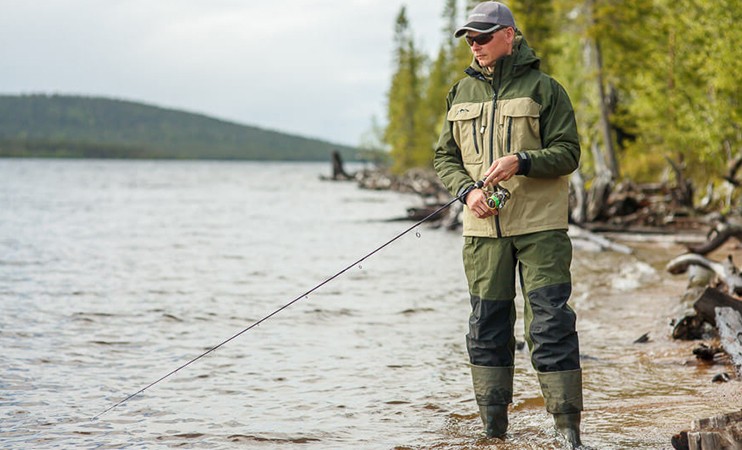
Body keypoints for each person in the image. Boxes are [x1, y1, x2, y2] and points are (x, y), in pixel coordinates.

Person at [433, 2, 583, 447]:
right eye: (469, 39)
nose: (474, 46)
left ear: (509, 35)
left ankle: (568, 433)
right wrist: (467, 191)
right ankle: (493, 434)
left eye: (482, 36)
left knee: (551, 324)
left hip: (541, 228)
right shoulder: (460, 93)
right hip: (483, 233)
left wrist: (523, 160)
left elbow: (569, 153)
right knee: (486, 326)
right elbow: (445, 157)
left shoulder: (545, 89)